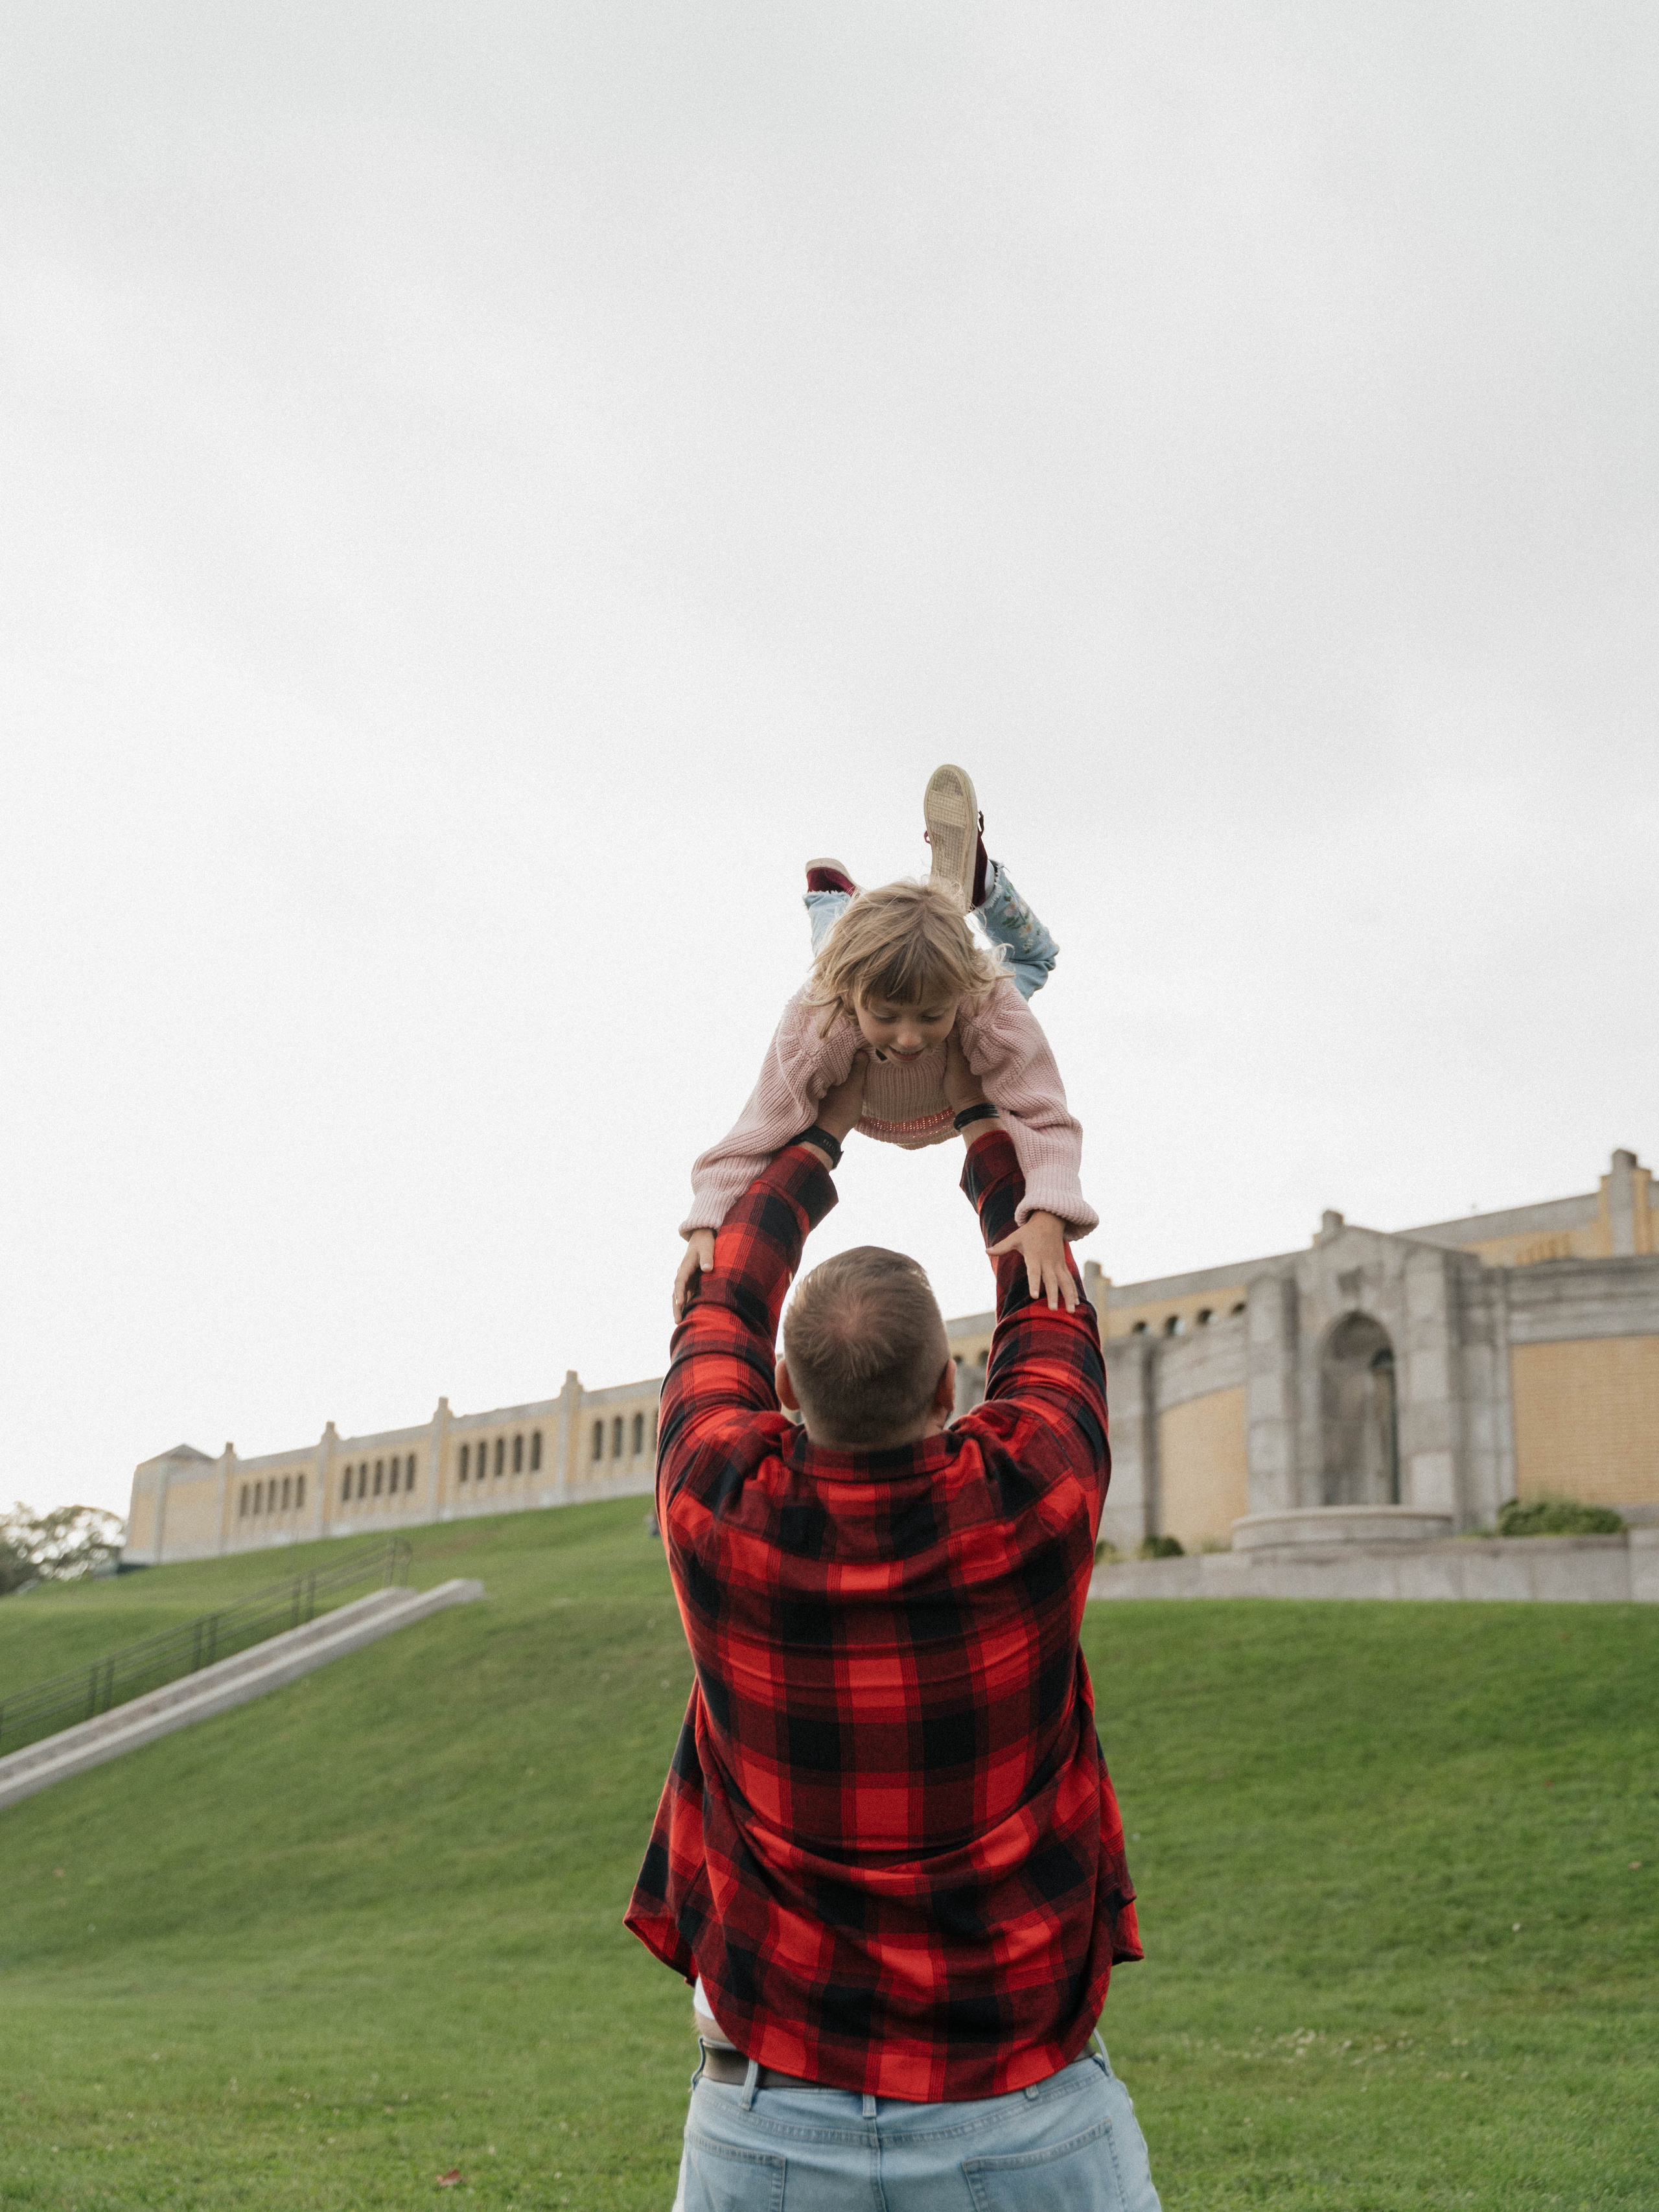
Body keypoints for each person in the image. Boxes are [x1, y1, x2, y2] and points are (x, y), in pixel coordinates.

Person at [626, 1040, 1160, 2210]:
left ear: (782, 1388)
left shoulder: (714, 1505)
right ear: (945, 1388)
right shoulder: (1033, 1498)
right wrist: (976, 1111)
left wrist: (817, 1135)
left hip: (766, 2113)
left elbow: (720, 1302)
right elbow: (1049, 1296)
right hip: (1023, 2112)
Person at [673, 765, 1093, 1325]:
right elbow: (760, 1124)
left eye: (930, 1015)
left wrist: (1047, 1213)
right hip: (864, 1060)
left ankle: (974, 887)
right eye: (887, 1016)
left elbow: (1042, 1111)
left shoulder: (986, 1004)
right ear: (854, 999)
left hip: (958, 1078)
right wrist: (706, 1217)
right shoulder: (821, 1017)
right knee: (831, 954)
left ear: (960, 993)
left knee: (1030, 964)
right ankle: (833, 902)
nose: (910, 1037)